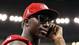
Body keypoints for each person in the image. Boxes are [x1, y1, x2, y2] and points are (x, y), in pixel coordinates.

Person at [1, 3, 66, 45]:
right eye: (42, 18)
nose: (47, 24)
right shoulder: (17, 43)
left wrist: (58, 39)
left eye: (49, 21)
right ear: (26, 22)